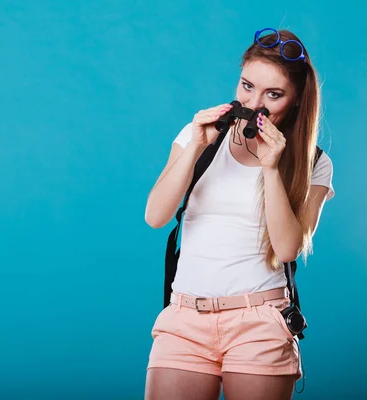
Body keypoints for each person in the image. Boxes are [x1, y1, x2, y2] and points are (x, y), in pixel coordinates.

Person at [143, 28, 335, 400]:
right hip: (185, 317)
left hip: (259, 322)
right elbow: (155, 216)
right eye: (247, 86)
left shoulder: (314, 163)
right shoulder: (198, 136)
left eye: (273, 94)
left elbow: (287, 249)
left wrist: (271, 167)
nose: (255, 103)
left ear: (295, 100)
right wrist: (196, 145)